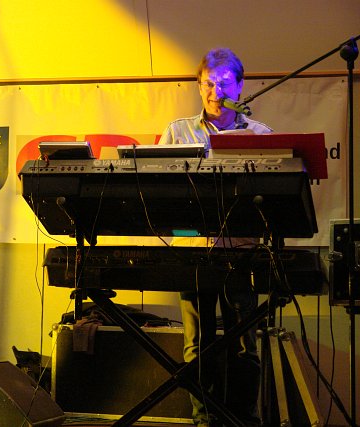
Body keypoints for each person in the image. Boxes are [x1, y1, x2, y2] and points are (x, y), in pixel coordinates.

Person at [160, 48, 272, 427]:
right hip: (193, 253)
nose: (215, 91)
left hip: (241, 255)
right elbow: (161, 194)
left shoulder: (260, 135)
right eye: (208, 83)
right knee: (197, 345)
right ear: (198, 86)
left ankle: (243, 421)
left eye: (224, 83)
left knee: (244, 344)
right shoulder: (177, 132)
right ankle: (204, 419)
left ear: (240, 86)